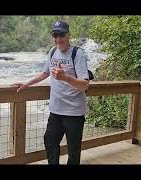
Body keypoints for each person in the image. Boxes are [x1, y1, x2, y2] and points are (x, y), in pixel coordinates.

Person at [12, 20, 90, 165]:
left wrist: (65, 77)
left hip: (74, 113)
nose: (58, 38)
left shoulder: (77, 54)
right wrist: (26, 83)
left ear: (68, 35)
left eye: (61, 34)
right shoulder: (52, 51)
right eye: (55, 35)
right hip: (56, 111)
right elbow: (44, 73)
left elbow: (85, 84)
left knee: (73, 151)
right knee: (50, 142)